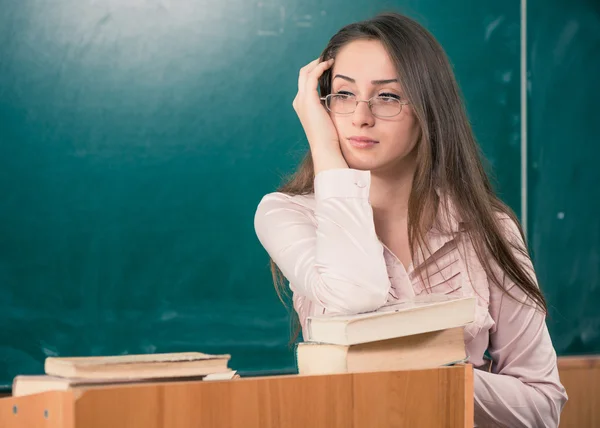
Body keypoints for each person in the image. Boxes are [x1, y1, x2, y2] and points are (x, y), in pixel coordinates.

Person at [253, 12, 567, 427]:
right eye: (343, 96)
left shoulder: (489, 231)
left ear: (428, 108)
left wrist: (434, 380)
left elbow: (542, 406)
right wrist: (325, 147)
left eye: (387, 97)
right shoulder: (286, 213)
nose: (361, 117)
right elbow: (354, 294)